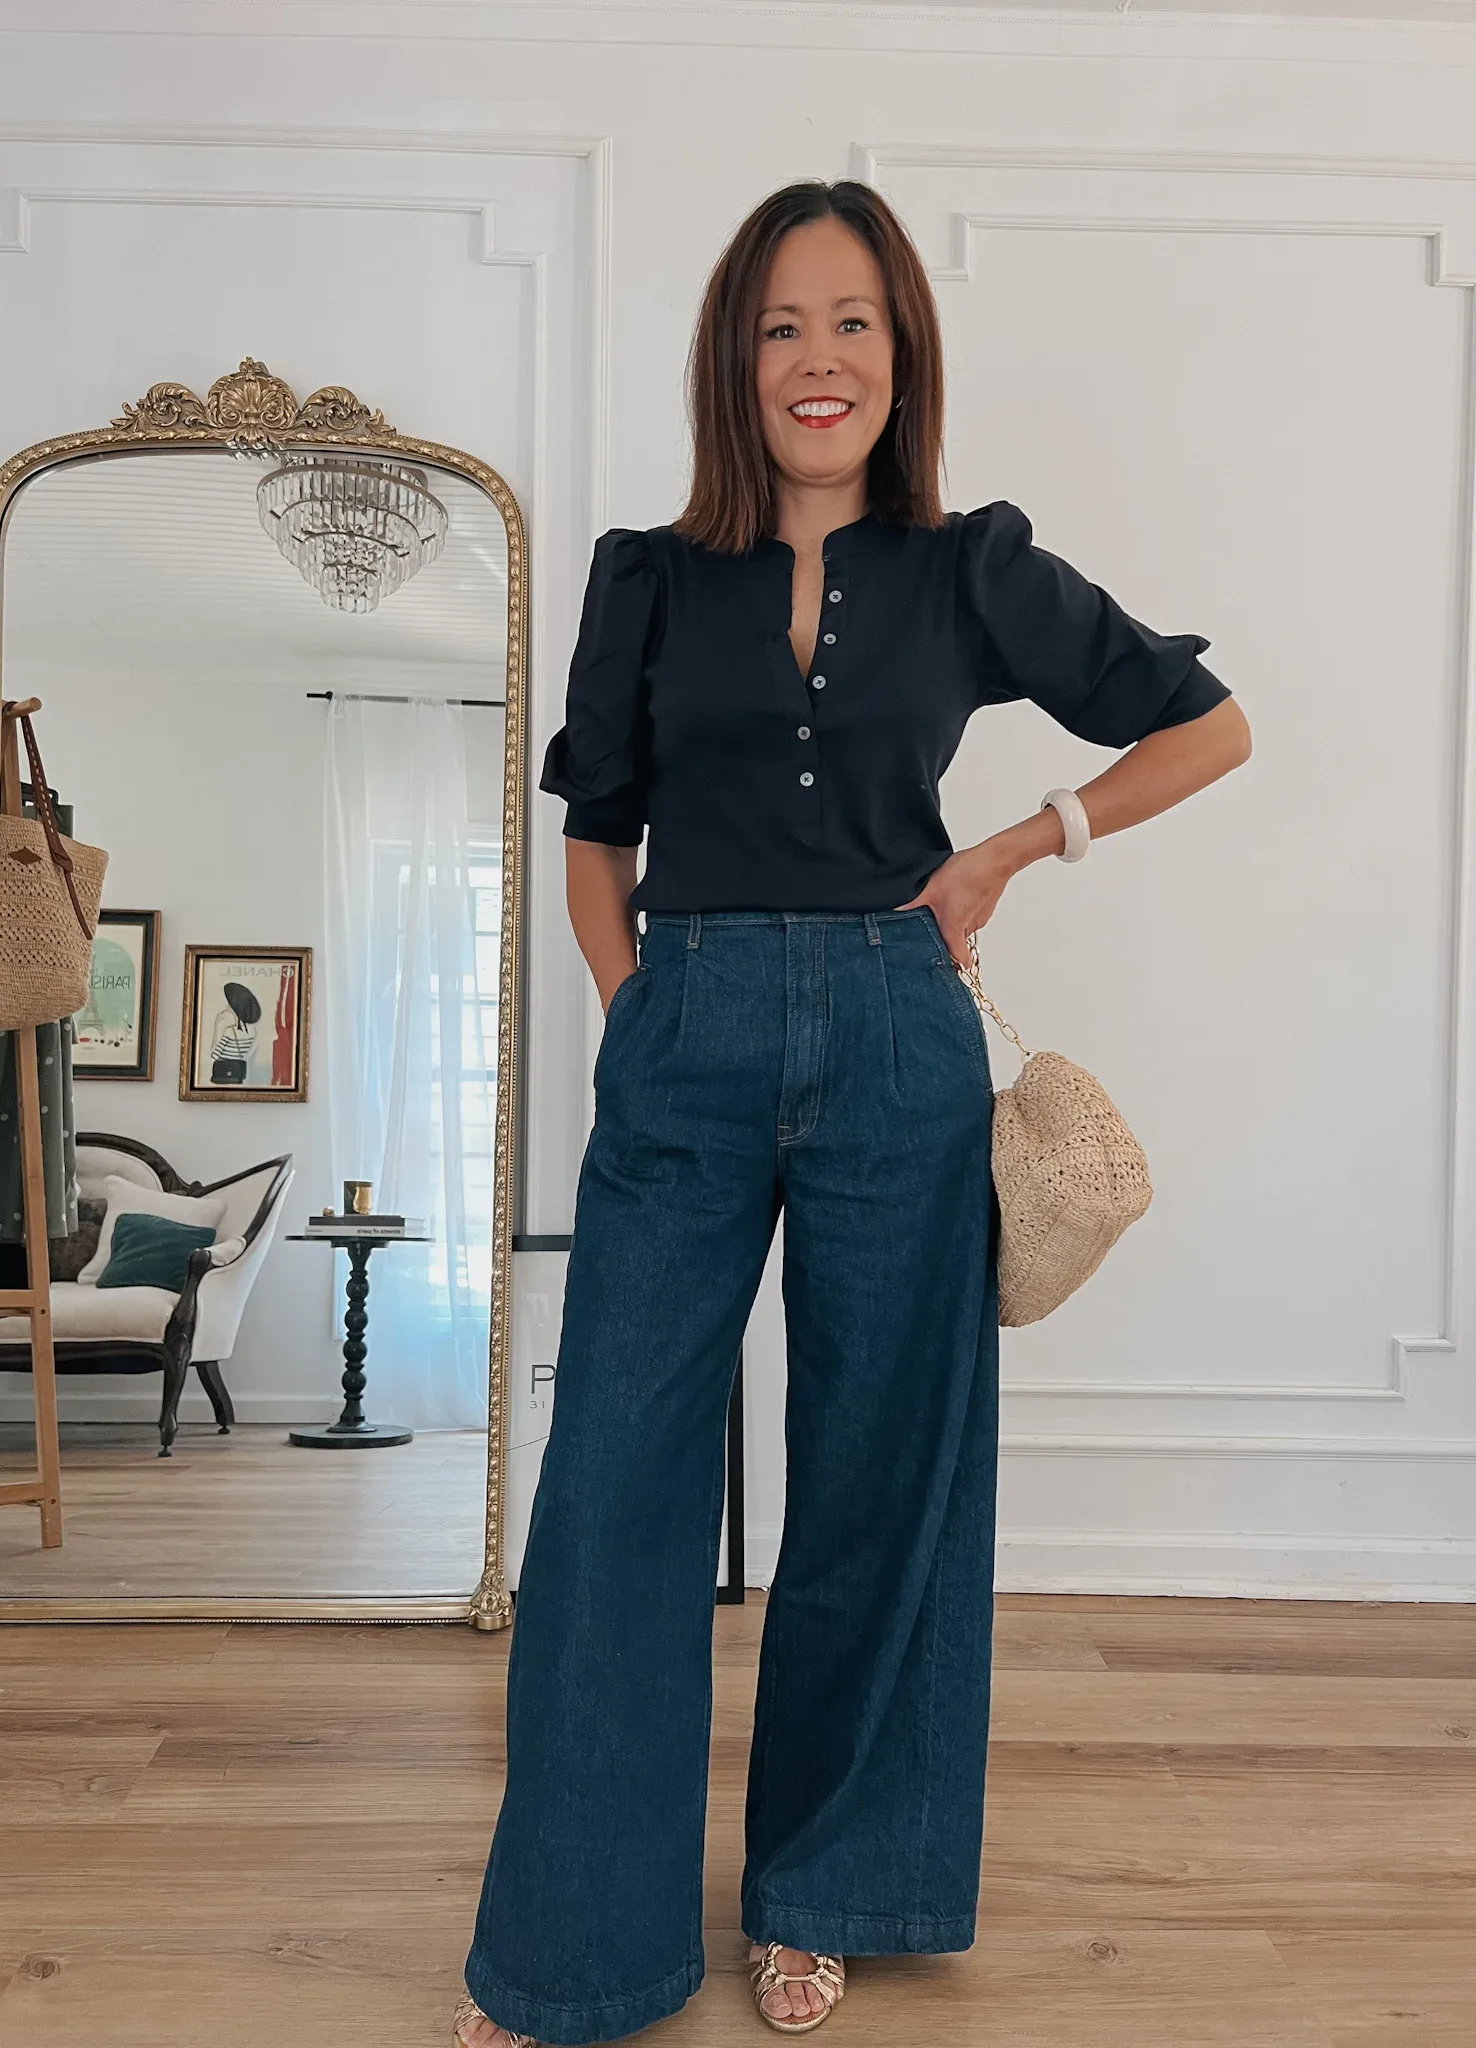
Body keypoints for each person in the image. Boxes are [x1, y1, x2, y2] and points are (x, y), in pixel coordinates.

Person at [455, 178, 1252, 2048]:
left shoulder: (970, 567)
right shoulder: (648, 573)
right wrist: (635, 1001)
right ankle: (578, 1944)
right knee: (611, 1491)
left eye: (855, 324)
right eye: (783, 326)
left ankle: (825, 1885)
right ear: (737, 361)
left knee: (883, 1475)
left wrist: (1007, 852)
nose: (820, 360)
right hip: (689, 1023)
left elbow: (1203, 724)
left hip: (902, 1032)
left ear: (903, 357)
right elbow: (596, 833)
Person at [208, 980, 262, 1086]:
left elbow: (214, 1054)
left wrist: (217, 1025)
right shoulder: (253, 1031)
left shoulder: (230, 1031)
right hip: (238, 1073)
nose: (227, 1005)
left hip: (221, 1074)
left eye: (230, 1003)